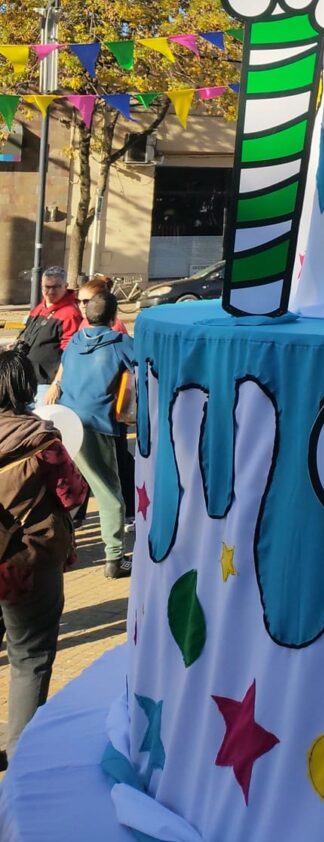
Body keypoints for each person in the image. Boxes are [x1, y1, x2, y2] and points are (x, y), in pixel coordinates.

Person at [0, 345, 88, 764]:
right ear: (23, 387)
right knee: (29, 657)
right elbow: (74, 494)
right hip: (29, 565)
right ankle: (21, 756)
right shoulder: (42, 440)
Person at [55, 291, 132, 579]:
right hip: (96, 424)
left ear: (87, 315)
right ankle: (114, 558)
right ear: (114, 318)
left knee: (66, 490)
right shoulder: (120, 343)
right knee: (109, 493)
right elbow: (152, 365)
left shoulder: (75, 340)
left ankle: (61, 549)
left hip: (66, 421)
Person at [15, 268, 83, 387]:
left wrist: (57, 383)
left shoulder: (70, 314)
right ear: (41, 287)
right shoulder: (40, 308)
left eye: (56, 287)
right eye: (47, 287)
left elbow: (70, 354)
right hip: (28, 378)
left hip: (46, 383)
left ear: (65, 286)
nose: (51, 291)